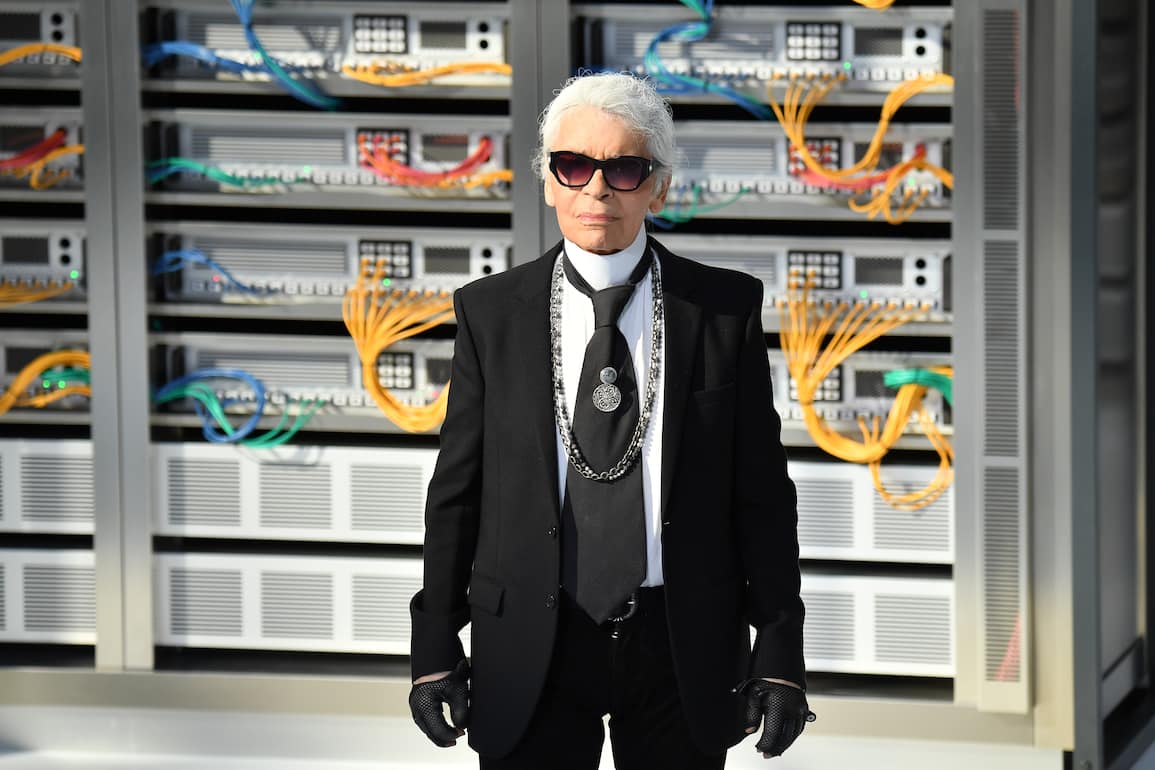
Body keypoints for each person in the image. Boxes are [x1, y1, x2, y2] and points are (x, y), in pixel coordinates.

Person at [408, 72, 812, 769]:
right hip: (531, 637)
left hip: (680, 640)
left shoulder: (723, 312)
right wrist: (434, 642)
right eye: (573, 166)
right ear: (548, 182)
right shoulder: (489, 313)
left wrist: (779, 651)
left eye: (624, 169)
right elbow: (457, 493)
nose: (596, 189)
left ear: (660, 187)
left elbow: (763, 498)